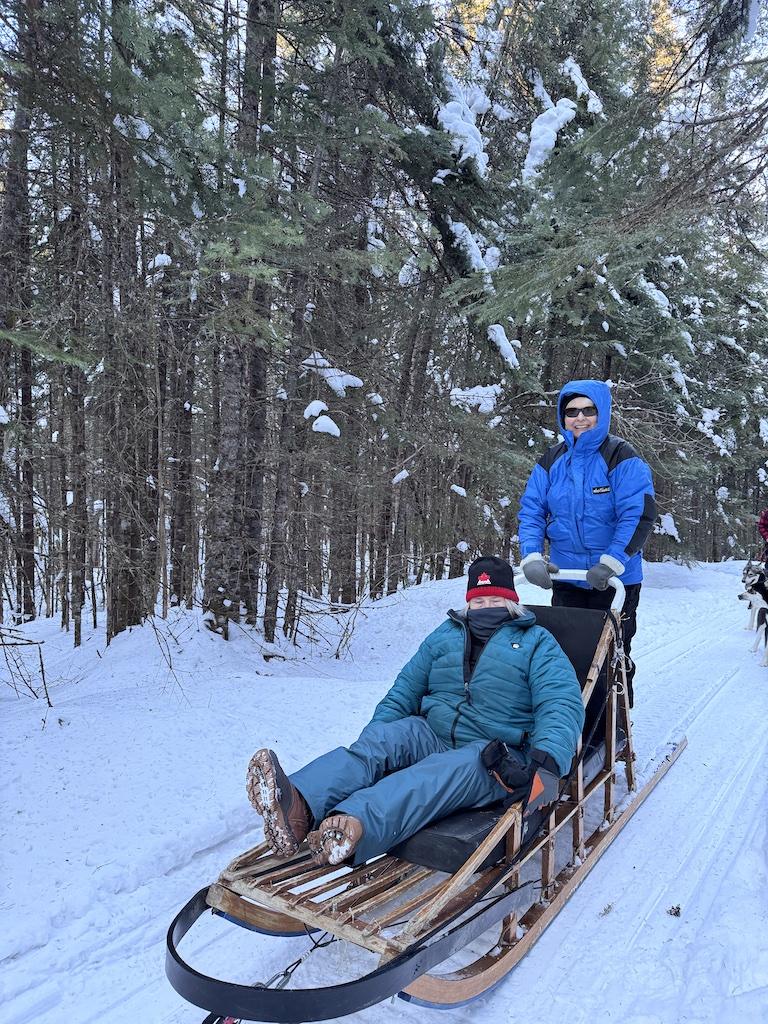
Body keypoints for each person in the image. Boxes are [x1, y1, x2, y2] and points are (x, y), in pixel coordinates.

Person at [246, 556, 585, 867]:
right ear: (469, 603)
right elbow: (405, 690)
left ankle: (355, 825)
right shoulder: (446, 635)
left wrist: (547, 763)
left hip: (494, 756)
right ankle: (299, 807)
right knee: (385, 740)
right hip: (433, 733)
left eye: (495, 601)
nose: (486, 608)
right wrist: (377, 737)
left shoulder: (536, 642)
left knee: (429, 777)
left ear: (511, 603)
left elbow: (560, 702)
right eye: (479, 601)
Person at [518, 379, 656, 707]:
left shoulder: (620, 457)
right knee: (566, 653)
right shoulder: (551, 461)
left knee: (610, 653)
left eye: (588, 410)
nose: (579, 418)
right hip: (568, 576)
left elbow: (637, 515)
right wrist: (532, 556)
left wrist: (611, 562)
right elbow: (532, 510)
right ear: (561, 417)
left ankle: (615, 723)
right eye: (571, 412)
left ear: (602, 412)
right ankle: (572, 724)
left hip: (615, 578)